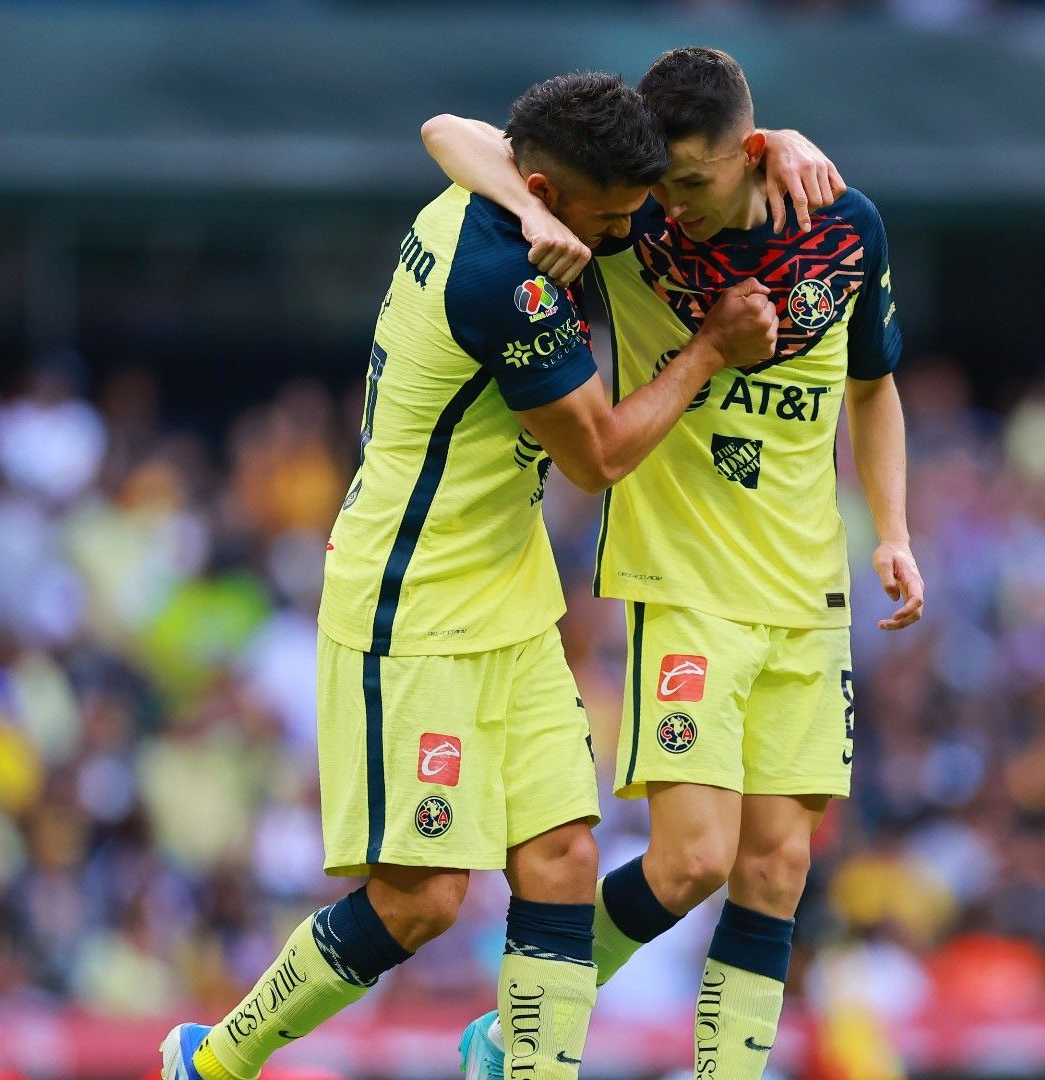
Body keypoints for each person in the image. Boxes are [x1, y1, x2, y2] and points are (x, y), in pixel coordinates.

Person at [158, 70, 787, 1080]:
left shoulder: (501, 185)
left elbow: (448, 125)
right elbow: (601, 454)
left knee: (563, 861)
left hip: (514, 596)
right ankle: (217, 1059)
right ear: (543, 190)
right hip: (414, 610)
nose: (629, 233)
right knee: (423, 900)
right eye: (614, 217)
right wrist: (710, 348)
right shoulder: (502, 281)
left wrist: (780, 143)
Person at [423, 46, 920, 1080]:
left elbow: (873, 385)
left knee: (777, 867)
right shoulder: (633, 225)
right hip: (682, 575)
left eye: (692, 182)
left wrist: (894, 529)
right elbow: (453, 136)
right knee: (694, 859)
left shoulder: (845, 226)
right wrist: (535, 206)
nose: (673, 206)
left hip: (807, 588)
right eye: (661, 185)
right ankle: (517, 1030)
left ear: (749, 153)